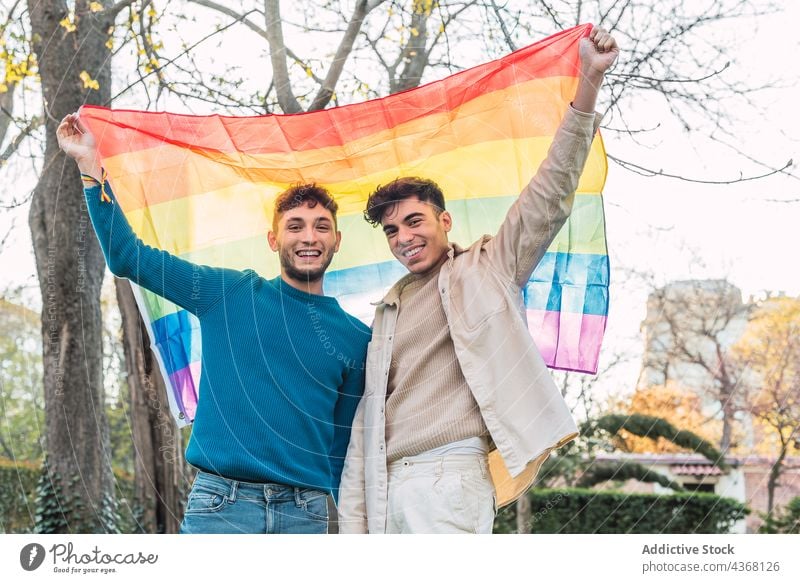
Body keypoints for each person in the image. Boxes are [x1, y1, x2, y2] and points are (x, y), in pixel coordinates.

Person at [337, 26, 620, 534]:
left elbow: (548, 196)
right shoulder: (387, 312)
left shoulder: (486, 268)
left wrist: (589, 84)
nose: (403, 236)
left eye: (415, 221)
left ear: (445, 221)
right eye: (392, 229)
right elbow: (366, 424)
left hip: (449, 478)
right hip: (385, 490)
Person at [57, 115, 370, 534]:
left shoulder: (355, 337)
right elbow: (127, 256)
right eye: (294, 226)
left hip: (306, 514)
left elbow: (342, 448)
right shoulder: (229, 293)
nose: (308, 237)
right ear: (274, 240)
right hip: (223, 506)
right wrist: (89, 166)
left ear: (336, 241)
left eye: (321, 227)